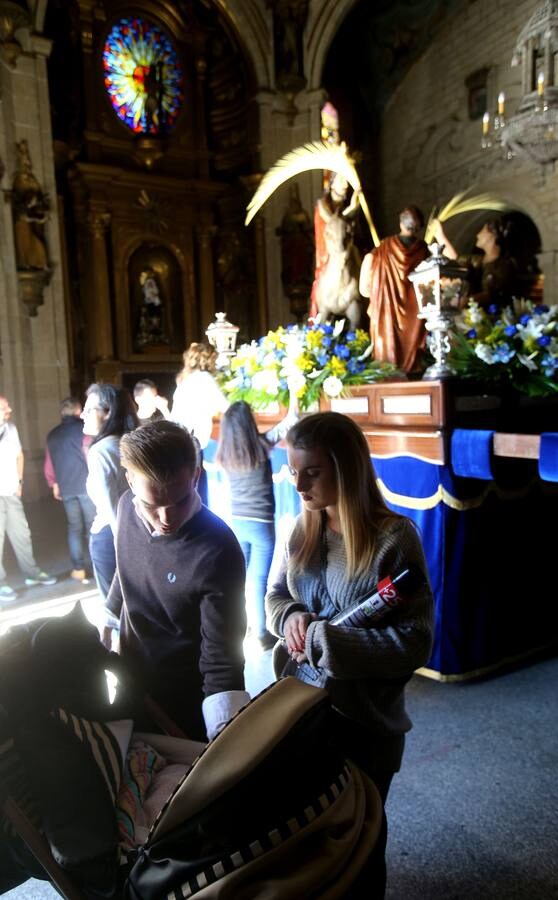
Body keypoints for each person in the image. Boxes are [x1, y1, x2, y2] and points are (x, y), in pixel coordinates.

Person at [266, 413, 433, 796]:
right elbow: (275, 596)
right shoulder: (300, 527)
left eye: (312, 472)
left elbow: (416, 641)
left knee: (361, 839)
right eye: (293, 471)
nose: (298, 485)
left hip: (364, 720)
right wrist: (290, 617)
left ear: (347, 470)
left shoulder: (393, 538)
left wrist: (329, 643)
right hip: (300, 706)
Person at [102, 420, 249, 741]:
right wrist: (110, 620)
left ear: (195, 475)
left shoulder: (218, 548)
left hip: (187, 697)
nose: (168, 518)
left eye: (180, 501)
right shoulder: (126, 507)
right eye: (153, 506)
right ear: (129, 481)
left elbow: (222, 656)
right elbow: (125, 564)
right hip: (132, 677)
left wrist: (225, 736)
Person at [216, 401, 277, 651]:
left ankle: (237, 629)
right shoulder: (262, 445)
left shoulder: (224, 455)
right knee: (258, 580)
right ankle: (262, 635)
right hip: (262, 524)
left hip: (237, 522)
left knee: (239, 579)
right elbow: (292, 420)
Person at [82, 384, 138, 601]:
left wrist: (122, 549)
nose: (82, 414)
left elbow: (110, 508)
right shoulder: (130, 442)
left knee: (115, 608)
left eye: (89, 410)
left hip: (111, 535)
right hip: (137, 531)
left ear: (108, 413)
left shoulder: (100, 451)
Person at [359, 205, 428, 373]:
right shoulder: (424, 251)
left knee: (386, 363)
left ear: (401, 224)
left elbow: (364, 290)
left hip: (386, 317)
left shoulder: (382, 250)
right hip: (416, 321)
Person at [0, 395, 56, 600]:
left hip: (11, 491)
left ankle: (31, 573)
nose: (9, 410)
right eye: (4, 407)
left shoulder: (11, 428)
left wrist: (20, 482)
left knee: (22, 534)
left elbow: (19, 455)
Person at [44, 396, 95, 584]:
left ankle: (78, 569)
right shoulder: (84, 431)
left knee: (74, 527)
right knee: (92, 527)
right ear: (77, 411)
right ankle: (96, 565)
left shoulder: (52, 435)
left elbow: (49, 463)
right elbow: (90, 456)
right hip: (85, 485)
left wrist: (54, 483)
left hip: (66, 487)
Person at [171, 342, 229, 505]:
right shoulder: (205, 378)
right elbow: (228, 408)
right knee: (198, 492)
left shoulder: (185, 380)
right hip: (194, 441)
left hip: (180, 439)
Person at [309, 171, 362, 328]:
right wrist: (352, 208)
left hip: (346, 247)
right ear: (331, 184)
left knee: (360, 260)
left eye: (346, 181)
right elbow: (334, 222)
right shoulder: (323, 204)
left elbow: (350, 226)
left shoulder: (343, 206)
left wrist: (353, 209)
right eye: (341, 181)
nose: (345, 185)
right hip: (330, 249)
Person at [432, 216, 519, 308]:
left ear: (493, 236)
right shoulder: (478, 260)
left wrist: (465, 301)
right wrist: (440, 235)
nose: (478, 234)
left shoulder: (504, 266)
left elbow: (492, 294)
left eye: (483, 231)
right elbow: (456, 259)